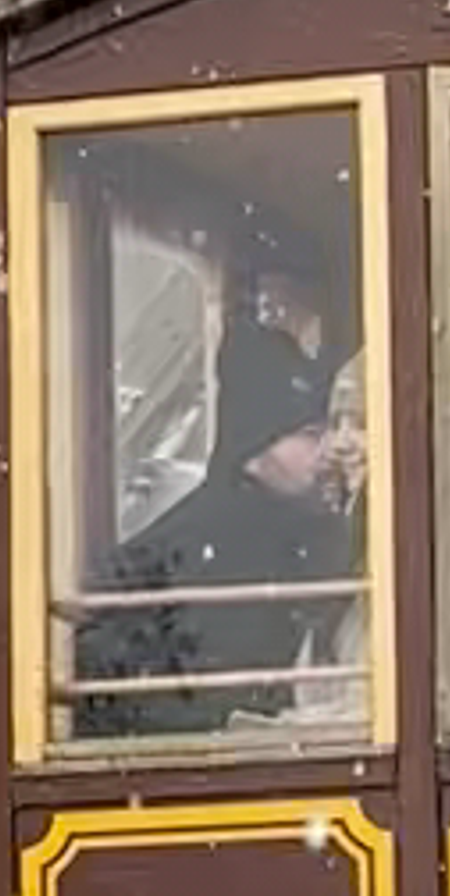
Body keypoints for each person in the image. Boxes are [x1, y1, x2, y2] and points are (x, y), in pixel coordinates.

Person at [77, 260, 360, 733]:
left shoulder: (317, 530)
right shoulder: (176, 555)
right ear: (253, 448)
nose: (329, 448)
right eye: (311, 433)